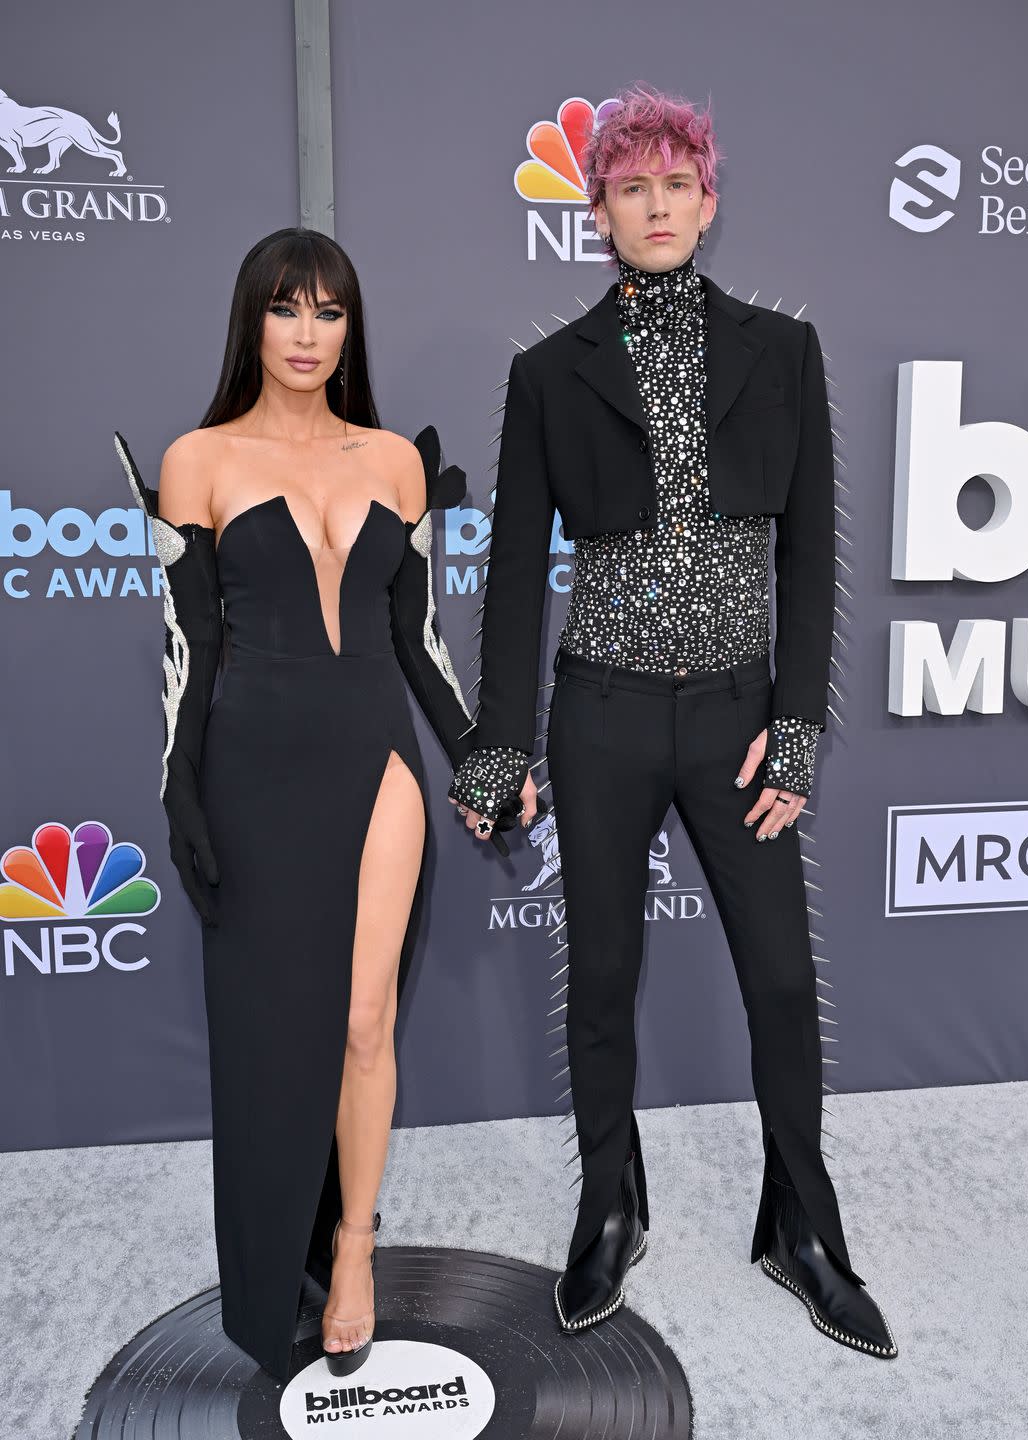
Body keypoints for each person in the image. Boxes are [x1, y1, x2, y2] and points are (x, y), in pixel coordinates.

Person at [449, 87, 897, 1358]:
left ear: (709, 199)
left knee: (780, 975)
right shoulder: (547, 374)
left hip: (735, 723)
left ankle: (800, 1228)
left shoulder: (781, 350)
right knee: (599, 977)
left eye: (675, 184)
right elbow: (512, 579)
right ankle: (609, 1204)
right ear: (596, 212)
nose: (655, 207)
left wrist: (796, 728)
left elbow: (810, 558)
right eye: (628, 188)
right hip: (594, 717)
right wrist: (498, 741)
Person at [115, 228, 475, 1383]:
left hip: (377, 759)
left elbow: (418, 643)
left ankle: (354, 1252)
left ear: (348, 328)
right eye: (286, 310)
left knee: (366, 1024)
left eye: (328, 312)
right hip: (251, 766)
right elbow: (187, 648)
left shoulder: (395, 462)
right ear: (252, 323)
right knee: (277, 1043)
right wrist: (178, 789)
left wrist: (476, 753)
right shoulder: (197, 459)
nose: (308, 335)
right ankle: (279, 1267)